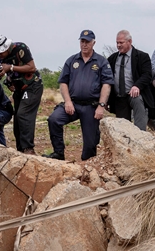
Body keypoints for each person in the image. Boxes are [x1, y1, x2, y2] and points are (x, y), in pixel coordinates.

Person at [46, 30, 113, 161]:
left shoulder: (101, 62)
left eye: (87, 42)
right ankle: (58, 153)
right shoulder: (72, 60)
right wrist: (67, 102)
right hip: (73, 104)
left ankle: (87, 166)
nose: (84, 44)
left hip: (91, 106)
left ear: (94, 43)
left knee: (90, 145)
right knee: (54, 120)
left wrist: (101, 106)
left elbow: (107, 85)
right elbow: (63, 82)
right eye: (82, 41)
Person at [0, 35, 42, 154]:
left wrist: (11, 68)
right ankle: (21, 149)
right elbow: (9, 72)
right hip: (19, 89)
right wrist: (7, 79)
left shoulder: (20, 48)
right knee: (17, 118)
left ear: (6, 47)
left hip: (32, 85)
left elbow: (31, 67)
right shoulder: (2, 57)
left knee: (24, 114)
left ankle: (28, 148)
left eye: (0, 53)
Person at [107, 30, 154, 131]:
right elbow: (107, 78)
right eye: (117, 42)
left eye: (121, 42)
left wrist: (137, 86)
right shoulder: (112, 59)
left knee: (138, 102)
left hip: (135, 94)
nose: (118, 45)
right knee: (123, 129)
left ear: (129, 41)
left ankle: (140, 137)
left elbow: (147, 75)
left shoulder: (142, 56)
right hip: (119, 97)